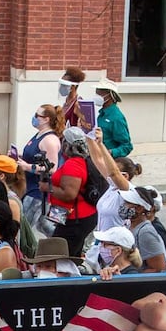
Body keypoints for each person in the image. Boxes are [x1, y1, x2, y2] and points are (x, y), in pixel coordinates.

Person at [43, 127, 99, 258]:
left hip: (76, 218)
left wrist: (48, 187)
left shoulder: (73, 164)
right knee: (71, 252)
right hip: (77, 216)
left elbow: (69, 194)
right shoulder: (79, 161)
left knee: (61, 255)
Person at [95, 78, 133, 158]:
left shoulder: (116, 118)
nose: (97, 96)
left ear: (110, 95)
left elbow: (127, 146)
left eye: (100, 94)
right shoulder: (102, 113)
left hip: (109, 160)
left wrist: (110, 152)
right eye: (96, 93)